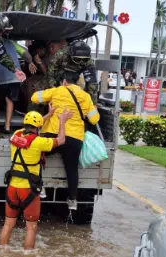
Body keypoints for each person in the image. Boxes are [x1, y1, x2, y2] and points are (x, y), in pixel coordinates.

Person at [0, 108, 72, 249]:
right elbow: (61, 140)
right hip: (28, 190)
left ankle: (1, 251)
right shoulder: (39, 142)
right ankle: (28, 253)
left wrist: (49, 115)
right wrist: (62, 121)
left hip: (12, 187)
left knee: (8, 224)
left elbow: (34, 125)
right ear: (38, 127)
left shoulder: (16, 135)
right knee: (31, 227)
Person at [31, 69, 100, 210]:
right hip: (74, 138)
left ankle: (40, 187)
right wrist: (94, 108)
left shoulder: (57, 91)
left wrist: (45, 94)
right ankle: (73, 200)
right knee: (72, 168)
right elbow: (94, 119)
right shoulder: (85, 96)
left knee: (37, 156)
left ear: (64, 81)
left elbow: (34, 98)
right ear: (77, 82)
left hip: (53, 135)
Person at [0, 39, 36, 133]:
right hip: (14, 75)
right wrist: (30, 62)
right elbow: (24, 53)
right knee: (10, 100)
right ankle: (7, 126)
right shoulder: (12, 43)